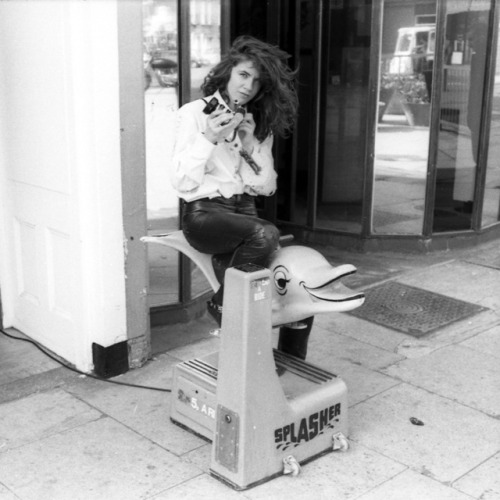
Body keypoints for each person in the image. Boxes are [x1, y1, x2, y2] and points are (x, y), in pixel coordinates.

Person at [171, 36, 311, 359]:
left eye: (257, 82)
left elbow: (267, 185)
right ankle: (223, 306)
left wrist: (248, 146)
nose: (248, 87)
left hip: (244, 220)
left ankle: (288, 367)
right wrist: (209, 137)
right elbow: (180, 180)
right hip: (206, 216)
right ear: (228, 71)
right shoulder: (193, 115)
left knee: (297, 295)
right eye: (244, 75)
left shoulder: (256, 124)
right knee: (266, 236)